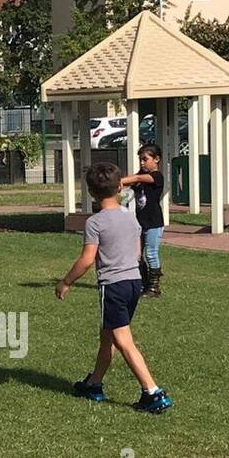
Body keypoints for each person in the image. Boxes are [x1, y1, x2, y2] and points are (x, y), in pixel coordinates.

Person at [56, 162, 173, 413]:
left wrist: (66, 281)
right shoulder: (130, 217)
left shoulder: (95, 223)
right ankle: (94, 384)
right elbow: (137, 249)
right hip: (133, 283)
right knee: (107, 336)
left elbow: (87, 259)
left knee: (123, 340)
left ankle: (152, 392)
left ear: (90, 193)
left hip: (114, 286)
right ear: (120, 187)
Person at [121, 143, 165, 297]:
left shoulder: (156, 176)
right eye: (140, 159)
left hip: (154, 223)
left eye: (145, 159)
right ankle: (142, 284)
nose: (142, 162)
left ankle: (154, 287)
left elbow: (138, 177)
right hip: (139, 223)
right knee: (136, 254)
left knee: (151, 254)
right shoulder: (139, 177)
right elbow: (133, 182)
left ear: (157, 159)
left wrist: (119, 180)